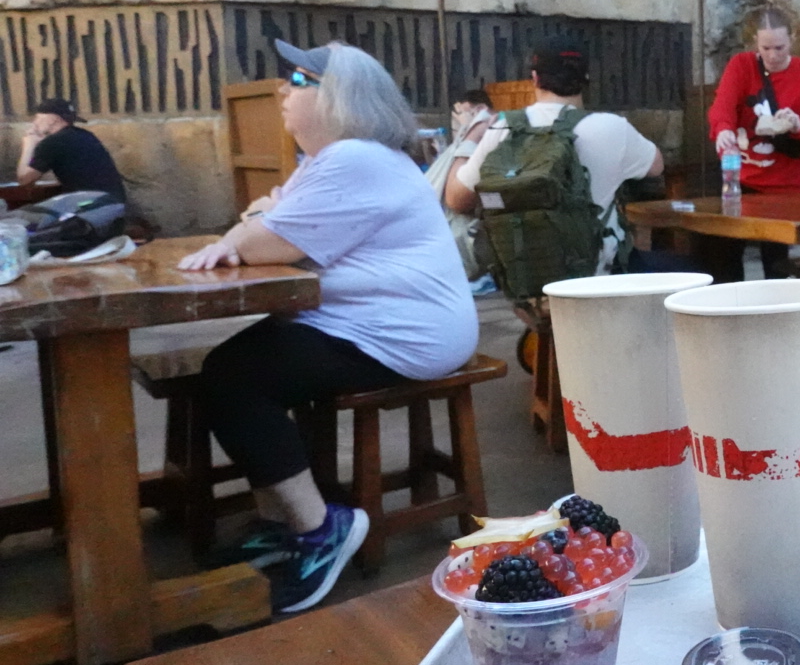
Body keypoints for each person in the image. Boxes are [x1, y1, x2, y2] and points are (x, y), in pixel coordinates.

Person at [178, 40, 478, 613]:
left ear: (342, 98)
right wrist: (257, 222)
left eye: (299, 80)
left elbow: (262, 241)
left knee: (233, 378)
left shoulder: (355, 159)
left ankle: (321, 530)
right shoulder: (331, 162)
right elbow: (259, 226)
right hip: (371, 320)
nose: (283, 90)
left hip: (405, 332)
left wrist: (256, 222)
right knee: (237, 368)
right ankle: (281, 523)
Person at [445, 45, 664, 275]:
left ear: (535, 78)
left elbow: (456, 199)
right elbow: (656, 167)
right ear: (586, 78)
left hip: (523, 275)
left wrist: (470, 136)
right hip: (597, 275)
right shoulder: (613, 128)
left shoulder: (503, 127)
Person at [707, 6, 800, 278]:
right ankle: (733, 303)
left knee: (776, 262)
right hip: (742, 181)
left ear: (791, 40)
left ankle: (776, 302)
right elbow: (722, 108)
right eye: (765, 48)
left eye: (779, 47)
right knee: (725, 255)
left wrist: (799, 125)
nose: (772, 55)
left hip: (785, 187)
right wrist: (723, 130)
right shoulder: (742, 66)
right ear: (755, 43)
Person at [426, 88, 495, 288]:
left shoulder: (485, 134)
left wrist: (470, 134)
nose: (458, 122)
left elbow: (455, 199)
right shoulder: (467, 141)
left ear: (480, 110)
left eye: (462, 114)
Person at [14, 97, 127, 202]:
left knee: (24, 215)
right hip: (113, 201)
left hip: (91, 204)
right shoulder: (85, 135)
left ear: (53, 120)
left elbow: (24, 180)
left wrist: (29, 145)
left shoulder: (53, 143)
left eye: (37, 118)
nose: (35, 123)